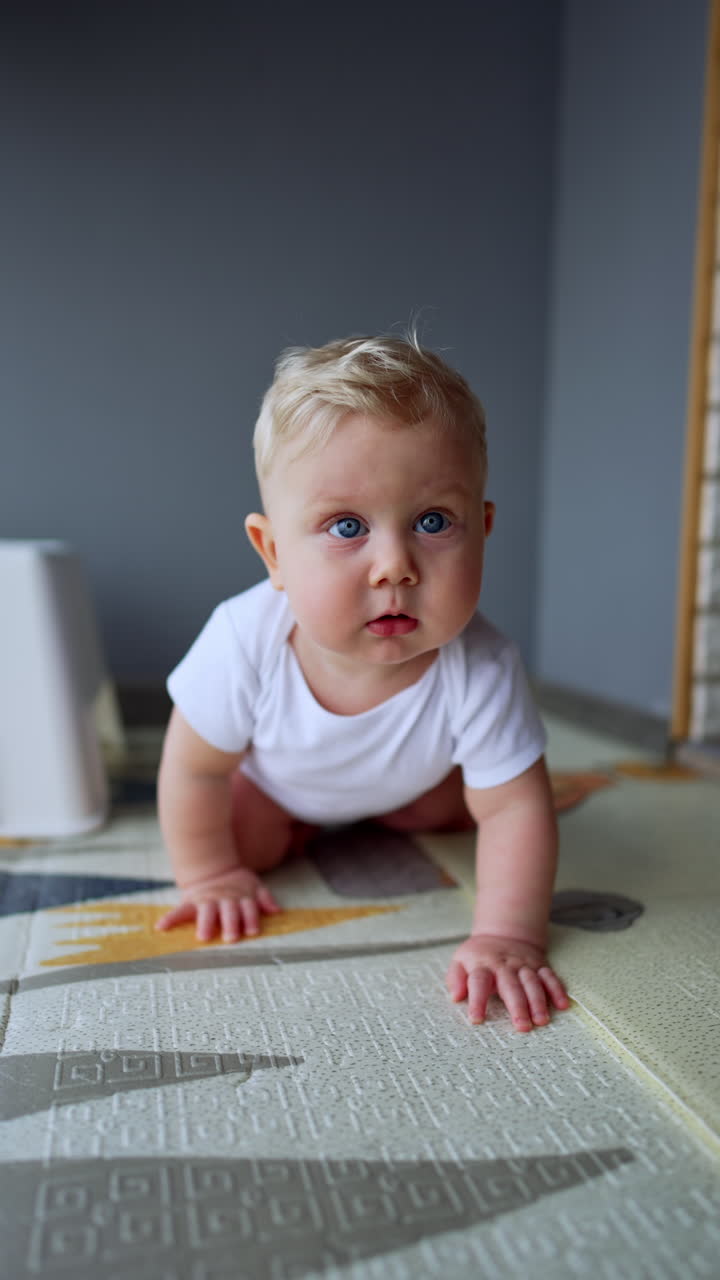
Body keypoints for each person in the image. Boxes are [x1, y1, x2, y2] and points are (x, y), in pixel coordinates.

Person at [156, 333, 570, 1033]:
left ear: (483, 530)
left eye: (433, 522)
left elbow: (515, 811)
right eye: (347, 526)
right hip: (278, 789)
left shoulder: (483, 664)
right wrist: (209, 876)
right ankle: (291, 831)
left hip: (410, 784)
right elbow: (194, 769)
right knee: (238, 838)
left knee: (472, 804)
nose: (394, 566)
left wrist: (508, 934)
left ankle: (389, 815)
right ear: (274, 552)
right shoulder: (242, 640)